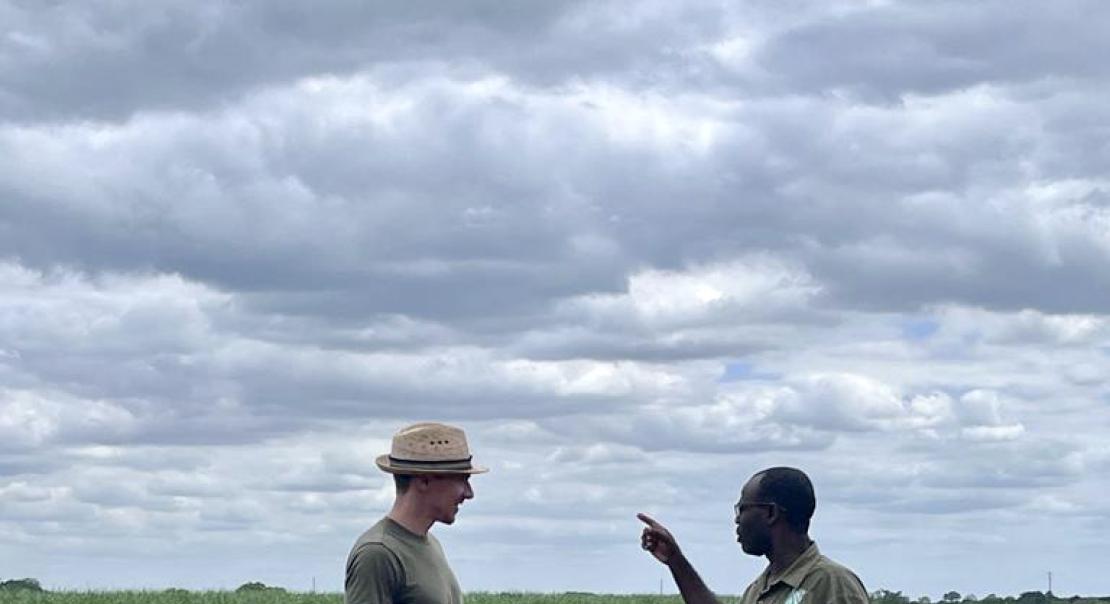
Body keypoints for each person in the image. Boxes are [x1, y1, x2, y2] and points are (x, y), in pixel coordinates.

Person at [639, 467, 868, 604]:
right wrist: (675, 560)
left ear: (771, 513)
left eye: (742, 509)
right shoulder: (760, 589)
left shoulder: (832, 583)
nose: (737, 519)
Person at [345, 422, 487, 604]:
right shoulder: (378, 554)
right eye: (462, 480)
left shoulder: (431, 544)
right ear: (424, 481)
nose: (469, 493)